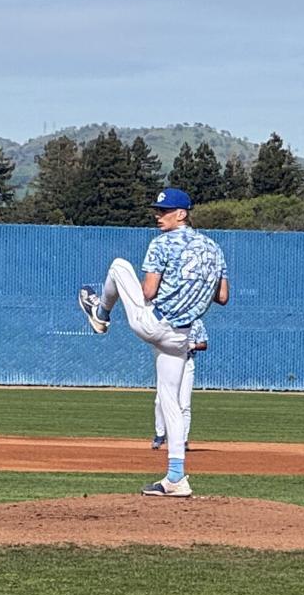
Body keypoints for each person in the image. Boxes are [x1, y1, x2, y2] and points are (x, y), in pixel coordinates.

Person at [78, 188, 228, 497]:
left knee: (119, 266)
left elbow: (147, 292)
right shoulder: (214, 249)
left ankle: (100, 312)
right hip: (182, 336)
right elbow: (222, 297)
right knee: (170, 401)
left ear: (182, 214)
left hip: (155, 323)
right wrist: (192, 286)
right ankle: (176, 477)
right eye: (157, 211)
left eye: (164, 211)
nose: (158, 216)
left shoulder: (161, 243)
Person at [153, 319, 208, 452]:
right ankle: (160, 435)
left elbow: (204, 344)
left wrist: (193, 346)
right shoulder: (169, 319)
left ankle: (183, 440)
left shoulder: (197, 322)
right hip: (169, 361)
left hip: (187, 362)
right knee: (160, 401)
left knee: (184, 404)